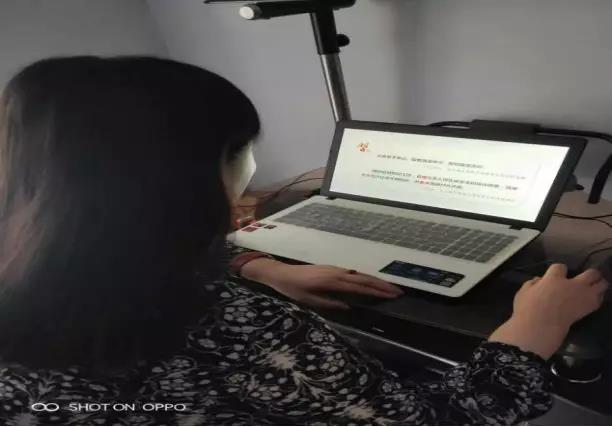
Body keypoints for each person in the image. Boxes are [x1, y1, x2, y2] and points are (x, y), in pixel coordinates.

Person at [0, 56, 606, 426]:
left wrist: (258, 265)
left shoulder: (36, 256)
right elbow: (441, 420)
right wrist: (536, 327)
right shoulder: (237, 328)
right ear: (186, 180)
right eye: (239, 153)